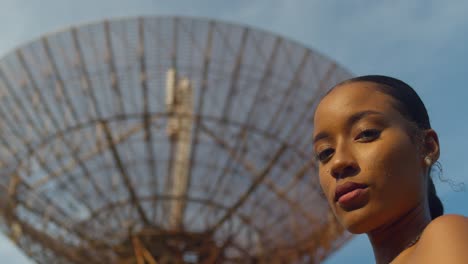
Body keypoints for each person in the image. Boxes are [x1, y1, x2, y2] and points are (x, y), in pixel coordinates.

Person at [312, 75, 468, 263]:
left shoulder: (445, 234)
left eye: (366, 133)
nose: (337, 163)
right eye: (325, 153)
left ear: (427, 147)